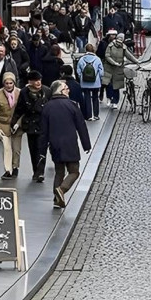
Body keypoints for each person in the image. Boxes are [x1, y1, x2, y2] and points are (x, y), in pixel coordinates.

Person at [39, 80, 92, 208]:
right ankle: (61, 190)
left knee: (59, 171)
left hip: (55, 144)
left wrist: (41, 150)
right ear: (60, 91)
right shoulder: (72, 105)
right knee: (74, 171)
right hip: (70, 143)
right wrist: (86, 145)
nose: (68, 90)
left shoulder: (47, 107)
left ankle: (57, 200)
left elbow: (43, 131)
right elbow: (81, 126)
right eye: (66, 88)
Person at [11, 71, 51, 183]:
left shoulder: (46, 91)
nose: (38, 83)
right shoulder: (24, 92)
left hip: (42, 124)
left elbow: (51, 108)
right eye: (35, 81)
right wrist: (13, 122)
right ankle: (36, 171)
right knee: (33, 149)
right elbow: (19, 109)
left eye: (39, 80)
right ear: (30, 82)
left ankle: (40, 172)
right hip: (30, 124)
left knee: (41, 149)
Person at [0, 72, 24, 180]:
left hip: (16, 126)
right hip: (3, 125)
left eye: (11, 83)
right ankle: (8, 170)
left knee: (16, 149)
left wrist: (18, 123)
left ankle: (15, 167)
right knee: (6, 148)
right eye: (6, 83)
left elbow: (23, 110)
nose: (9, 85)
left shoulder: (20, 93)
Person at [102, 33, 140, 109]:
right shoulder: (110, 46)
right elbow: (107, 56)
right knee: (109, 85)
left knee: (117, 86)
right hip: (109, 68)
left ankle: (115, 102)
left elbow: (129, 56)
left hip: (118, 69)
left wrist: (137, 61)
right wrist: (114, 62)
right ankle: (109, 98)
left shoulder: (123, 47)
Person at [77, 44, 104, 121]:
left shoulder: (81, 59)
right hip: (95, 82)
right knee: (95, 98)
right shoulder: (97, 59)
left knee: (87, 98)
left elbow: (78, 71)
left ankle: (88, 115)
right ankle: (96, 115)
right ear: (93, 50)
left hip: (85, 83)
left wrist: (81, 77)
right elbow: (101, 72)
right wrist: (100, 78)